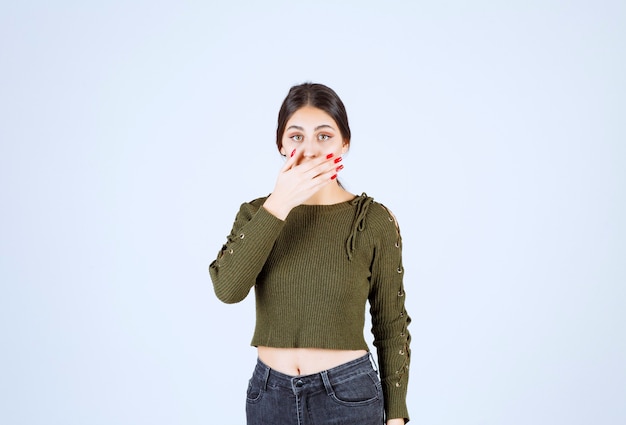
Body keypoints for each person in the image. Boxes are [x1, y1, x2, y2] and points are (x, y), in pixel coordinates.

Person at [209, 82, 411, 424]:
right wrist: (279, 204)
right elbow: (228, 290)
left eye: (324, 135)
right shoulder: (256, 215)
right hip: (269, 396)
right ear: (281, 145)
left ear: (344, 143)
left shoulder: (371, 220)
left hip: (348, 396)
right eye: (296, 136)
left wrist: (396, 416)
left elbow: (391, 324)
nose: (310, 149)